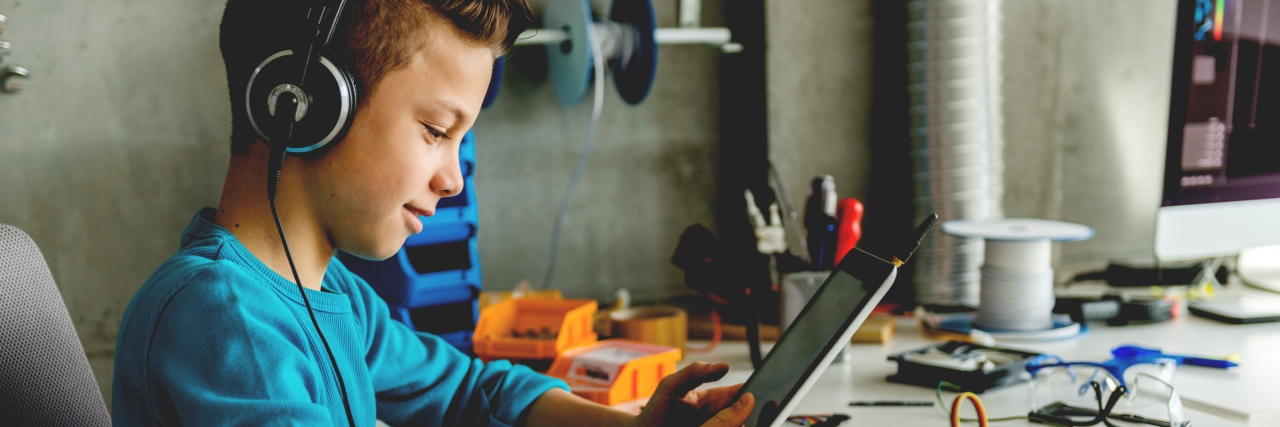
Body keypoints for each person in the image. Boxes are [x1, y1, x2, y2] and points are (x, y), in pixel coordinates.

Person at [111, 0, 755, 425]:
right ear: (302, 104)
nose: (452, 179)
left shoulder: (332, 296)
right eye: (435, 130)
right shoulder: (225, 321)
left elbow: (473, 394)